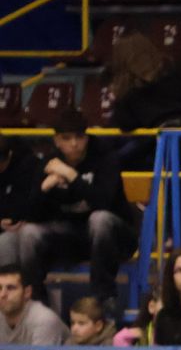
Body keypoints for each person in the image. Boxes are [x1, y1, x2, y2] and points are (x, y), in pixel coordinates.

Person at [0, 111, 137, 317]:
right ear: (57, 141)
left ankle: (103, 297)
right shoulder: (48, 162)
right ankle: (35, 303)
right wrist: (44, 189)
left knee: (99, 219)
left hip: (114, 237)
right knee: (29, 233)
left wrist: (71, 176)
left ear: (87, 137)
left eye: (79, 137)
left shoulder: (105, 157)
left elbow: (104, 202)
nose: (74, 143)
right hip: (70, 236)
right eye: (67, 138)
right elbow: (32, 215)